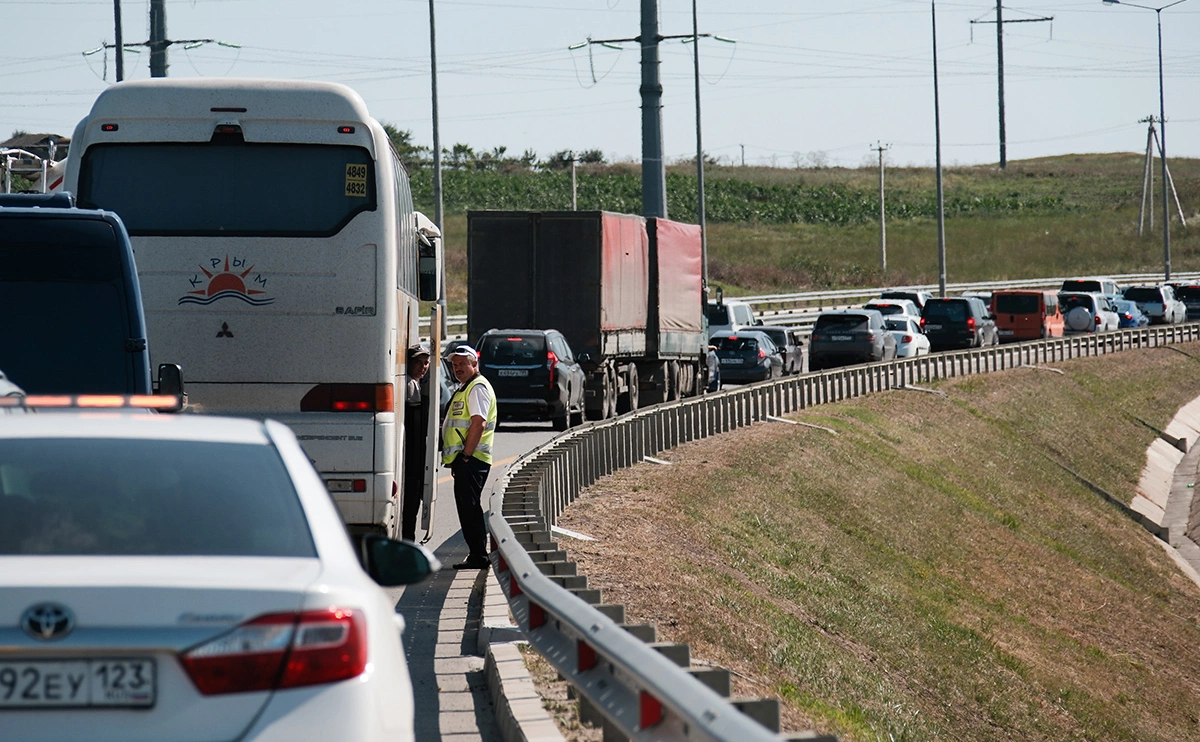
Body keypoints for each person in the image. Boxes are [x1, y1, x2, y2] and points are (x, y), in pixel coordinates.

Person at [441, 345, 497, 569]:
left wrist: (465, 456)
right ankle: (477, 554)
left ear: (475, 364)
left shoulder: (477, 388)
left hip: (473, 459)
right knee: (467, 508)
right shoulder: (466, 387)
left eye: (463, 364)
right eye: (454, 365)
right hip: (467, 460)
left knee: (470, 508)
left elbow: (479, 423)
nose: (458, 368)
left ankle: (478, 556)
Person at [401, 344, 432, 542]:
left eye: (426, 363)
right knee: (410, 506)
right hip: (412, 460)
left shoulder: (415, 383)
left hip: (415, 460)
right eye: (418, 362)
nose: (423, 367)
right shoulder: (410, 385)